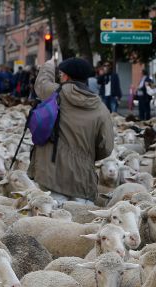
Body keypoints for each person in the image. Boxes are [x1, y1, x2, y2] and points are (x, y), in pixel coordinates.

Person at [28, 57, 114, 203]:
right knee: (78, 222)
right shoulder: (101, 108)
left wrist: (48, 66)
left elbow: (41, 83)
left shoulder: (56, 94)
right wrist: (86, 156)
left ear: (66, 76)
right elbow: (106, 147)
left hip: (52, 175)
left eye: (61, 75)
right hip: (83, 180)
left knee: (53, 221)